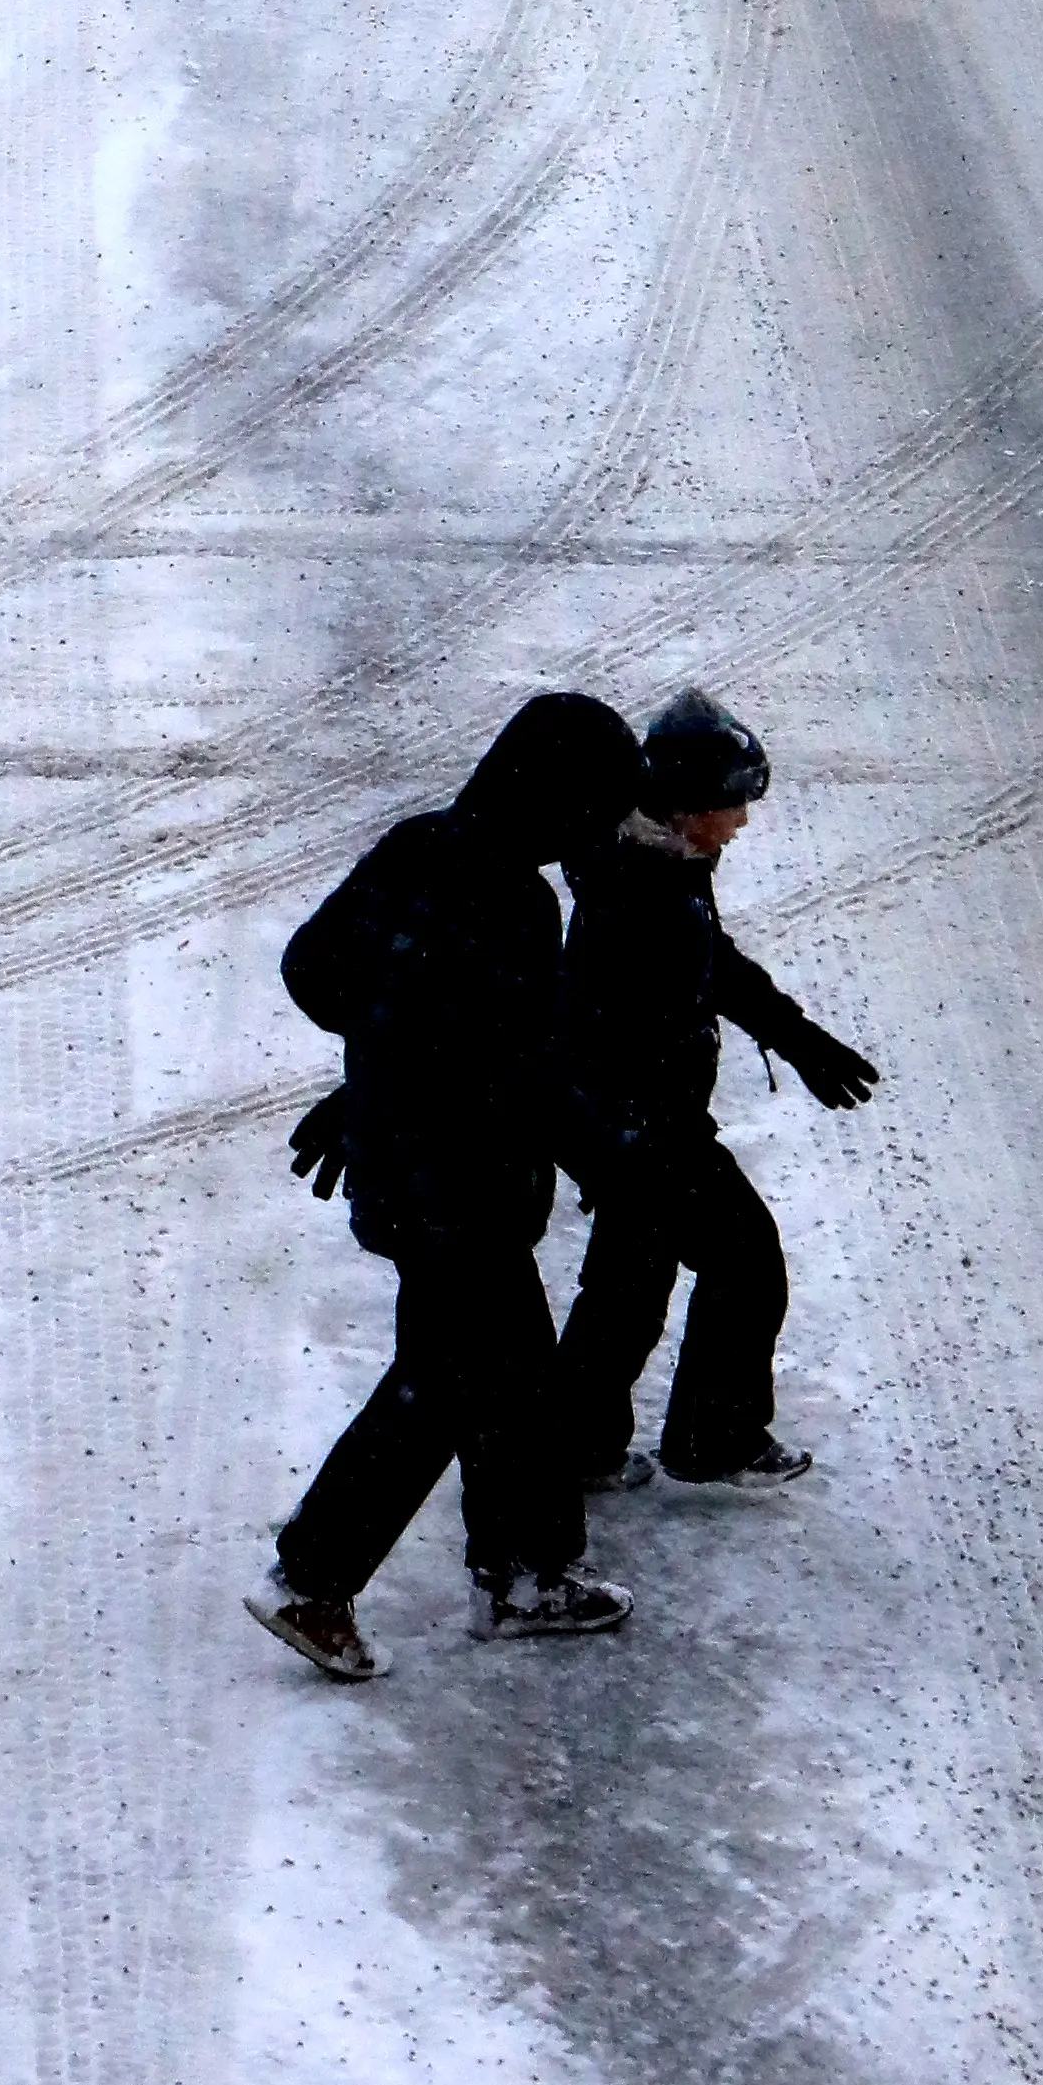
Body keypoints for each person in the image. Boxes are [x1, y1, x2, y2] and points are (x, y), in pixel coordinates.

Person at [252, 687, 646, 1675]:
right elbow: (522, 1067)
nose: (598, 833)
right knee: (444, 1386)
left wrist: (380, 1069)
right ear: (556, 800)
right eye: (595, 810)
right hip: (462, 1190)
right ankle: (315, 1579)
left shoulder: (418, 844)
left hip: (408, 1170)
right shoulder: (515, 901)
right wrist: (610, 1159)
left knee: (509, 1377)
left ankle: (525, 1571)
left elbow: (315, 968)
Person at [553, 687, 879, 1495]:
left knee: (631, 1281)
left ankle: (574, 1442)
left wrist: (797, 1037)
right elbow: (640, 1010)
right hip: (641, 1121)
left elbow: (712, 962)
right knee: (744, 1261)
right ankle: (713, 1436)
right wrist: (643, 1138)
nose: (742, 822)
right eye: (733, 804)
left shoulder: (664, 864)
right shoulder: (645, 887)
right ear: (689, 805)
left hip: (625, 1119)